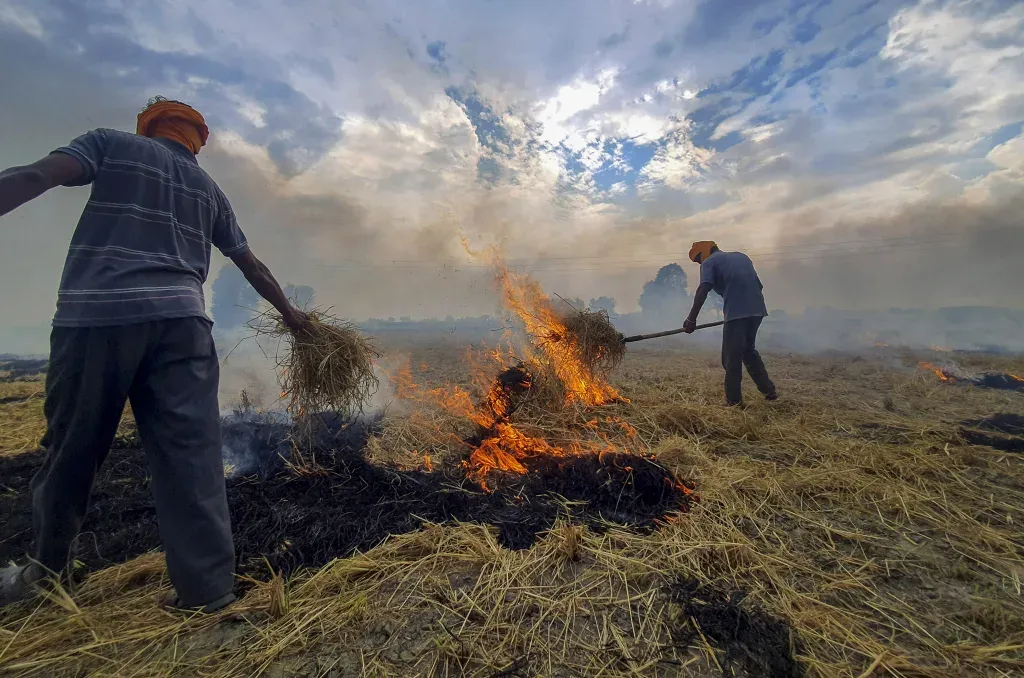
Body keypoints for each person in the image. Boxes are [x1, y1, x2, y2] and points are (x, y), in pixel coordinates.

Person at [0, 97, 309, 612]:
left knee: (72, 452)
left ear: (149, 128)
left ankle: (48, 575)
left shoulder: (112, 145)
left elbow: (38, 175)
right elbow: (252, 265)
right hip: (185, 328)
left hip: (98, 321)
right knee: (193, 458)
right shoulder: (209, 189)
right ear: (197, 142)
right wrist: (294, 318)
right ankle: (208, 593)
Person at [683, 241, 777, 407]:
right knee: (748, 352)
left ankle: (733, 401)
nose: (699, 263)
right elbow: (759, 286)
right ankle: (770, 392)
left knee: (731, 357)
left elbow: (703, 289)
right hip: (757, 309)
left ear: (703, 253)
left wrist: (691, 319)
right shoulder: (742, 257)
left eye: (698, 259)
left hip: (737, 312)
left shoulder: (709, 262)